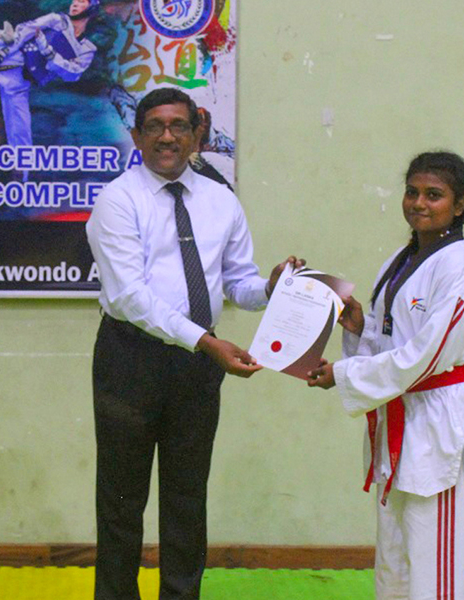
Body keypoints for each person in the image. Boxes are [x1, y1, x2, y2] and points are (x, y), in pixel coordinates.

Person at [86, 87, 303, 600]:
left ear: (196, 133)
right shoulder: (118, 199)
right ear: (136, 135)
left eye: (179, 126)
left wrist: (272, 289)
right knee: (121, 501)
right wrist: (207, 342)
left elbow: (238, 284)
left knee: (187, 498)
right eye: (155, 126)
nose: (167, 136)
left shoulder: (220, 200)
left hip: (197, 368)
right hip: (129, 359)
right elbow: (129, 298)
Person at [307, 152, 464, 600]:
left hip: (442, 423)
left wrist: (344, 373)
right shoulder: (405, 257)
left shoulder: (462, 267)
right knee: (395, 561)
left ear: (459, 205)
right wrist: (359, 330)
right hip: (405, 419)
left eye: (434, 195)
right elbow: (393, 339)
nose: (419, 203)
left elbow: (426, 357)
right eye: (412, 192)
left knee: (439, 571)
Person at [0, 0, 99, 147]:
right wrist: (0, 55)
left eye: (81, 1)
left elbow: (72, 74)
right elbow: (24, 31)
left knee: (19, 128)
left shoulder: (87, 48)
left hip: (24, 81)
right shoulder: (55, 20)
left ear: (91, 7)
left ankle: (20, 165)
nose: (75, 4)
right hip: (13, 56)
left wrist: (47, 51)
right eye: (74, 0)